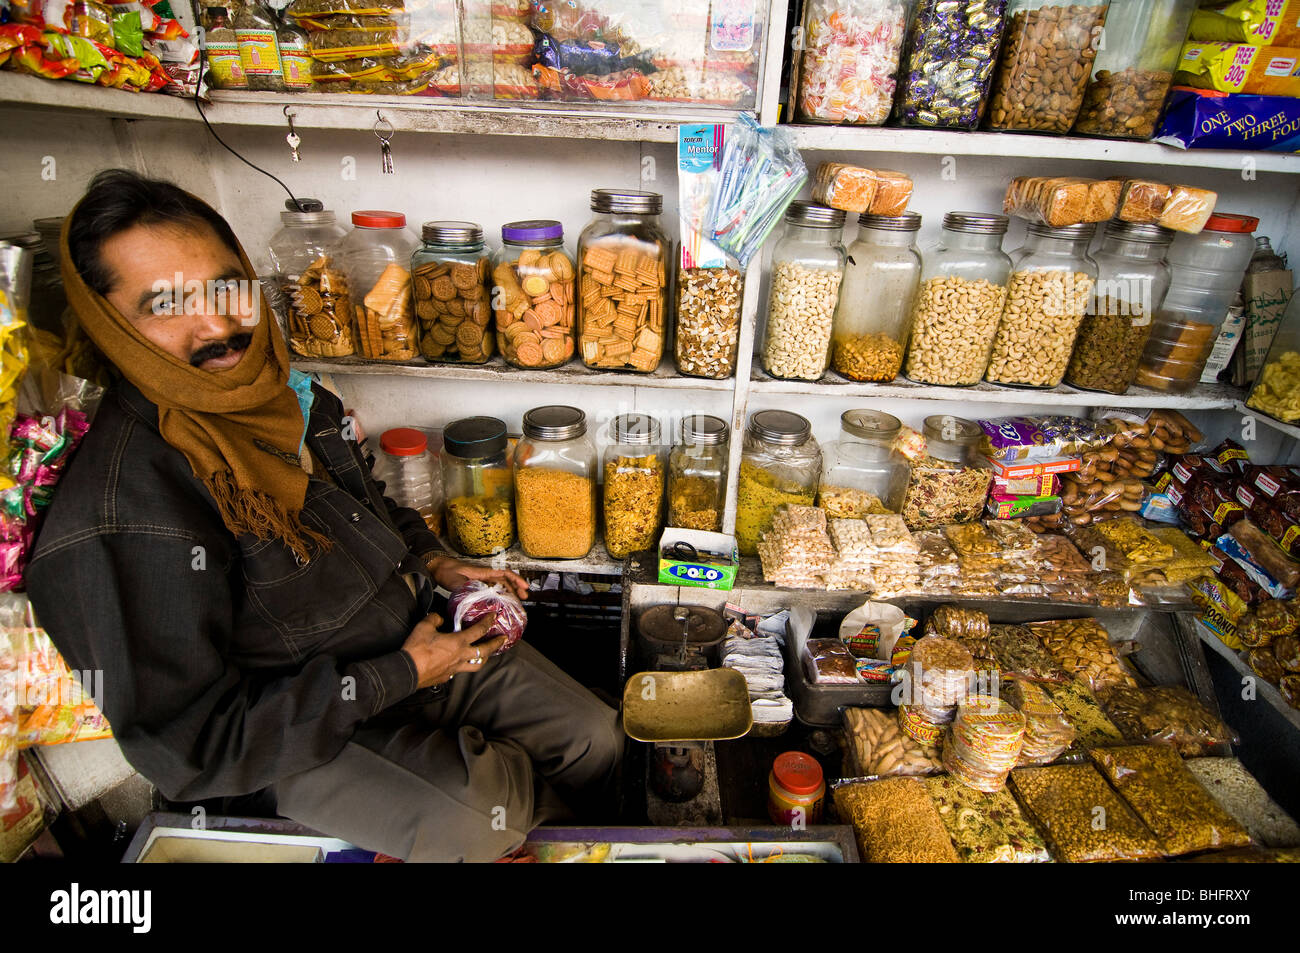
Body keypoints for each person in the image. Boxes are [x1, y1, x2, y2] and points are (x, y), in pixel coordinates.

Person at [26, 169, 623, 862]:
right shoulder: (125, 512)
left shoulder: (281, 395)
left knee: (596, 736)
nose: (218, 324)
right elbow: (191, 747)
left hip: (413, 641)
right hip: (294, 733)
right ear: (111, 326)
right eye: (166, 304)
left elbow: (368, 507)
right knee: (487, 815)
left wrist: (432, 558)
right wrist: (397, 673)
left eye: (226, 287)